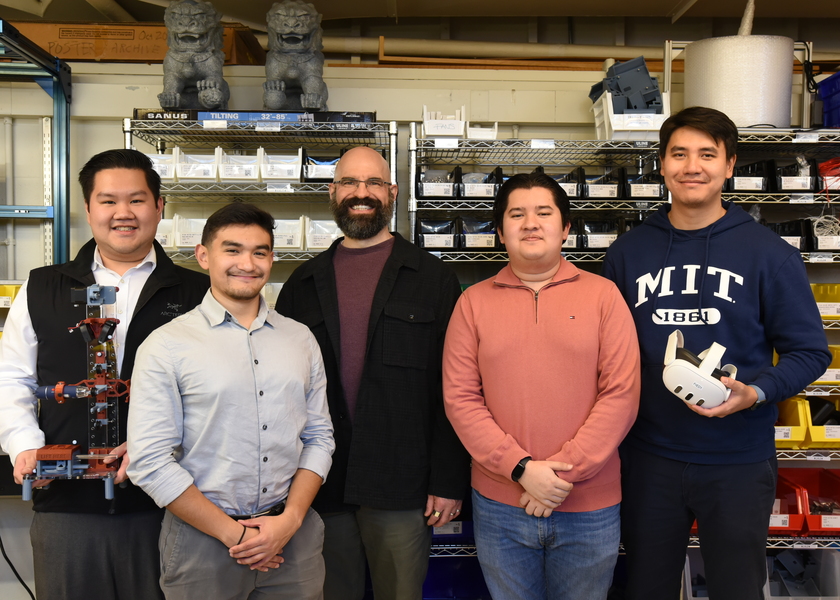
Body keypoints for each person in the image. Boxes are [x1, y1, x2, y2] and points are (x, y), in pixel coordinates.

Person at [601, 106, 832, 600]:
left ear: (729, 166)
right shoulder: (626, 254)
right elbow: (601, 351)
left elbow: (810, 351)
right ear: (661, 164)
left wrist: (755, 392)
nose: (692, 166)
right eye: (679, 153)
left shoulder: (769, 254)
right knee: (645, 587)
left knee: (737, 589)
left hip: (738, 460)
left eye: (707, 154)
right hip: (648, 457)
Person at [0, 149, 209, 600]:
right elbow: (11, 378)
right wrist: (26, 446)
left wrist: (159, 446)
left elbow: (219, 394)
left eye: (136, 200)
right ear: (88, 209)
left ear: (160, 207)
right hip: (66, 509)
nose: (123, 214)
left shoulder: (198, 292)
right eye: (108, 200)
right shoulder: (42, 287)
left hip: (172, 505)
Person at [275, 146, 470, 600]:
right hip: (320, 483)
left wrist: (447, 480)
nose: (361, 194)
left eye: (373, 184)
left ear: (392, 192)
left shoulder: (433, 278)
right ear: (332, 191)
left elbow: (454, 388)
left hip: (402, 482)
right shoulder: (302, 284)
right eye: (349, 183)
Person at [442, 172, 641, 600]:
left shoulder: (605, 297)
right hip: (500, 506)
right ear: (500, 232)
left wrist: (560, 476)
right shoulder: (471, 304)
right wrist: (521, 469)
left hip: (590, 507)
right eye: (517, 214)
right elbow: (460, 399)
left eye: (543, 213)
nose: (530, 223)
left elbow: (621, 395)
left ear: (566, 228)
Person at [126, 202, 335, 600]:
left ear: (272, 258)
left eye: (260, 252)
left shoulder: (300, 339)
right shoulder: (167, 345)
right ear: (203, 256)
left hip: (293, 538)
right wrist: (236, 534)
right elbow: (150, 461)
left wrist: (289, 521)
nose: (248, 263)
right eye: (232, 250)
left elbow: (319, 438)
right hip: (202, 545)